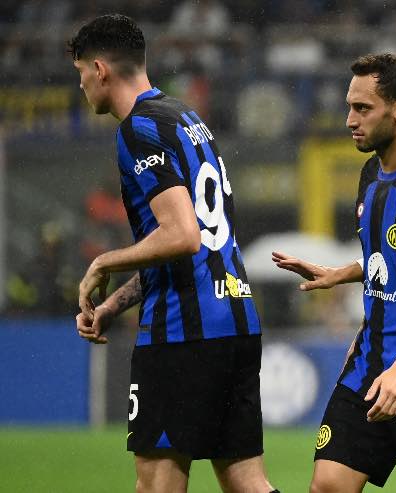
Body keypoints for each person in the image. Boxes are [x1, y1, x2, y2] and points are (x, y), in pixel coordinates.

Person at [69, 14, 278, 493]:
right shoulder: (187, 119)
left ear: (100, 69)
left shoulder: (138, 130)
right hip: (237, 319)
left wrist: (102, 262)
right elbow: (195, 243)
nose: (80, 85)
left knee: (156, 484)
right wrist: (113, 305)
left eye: (80, 72)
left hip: (183, 332)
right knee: (248, 481)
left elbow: (182, 235)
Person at [273, 53, 396, 492]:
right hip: (369, 362)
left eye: (362, 108)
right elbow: (395, 261)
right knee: (327, 484)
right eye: (349, 106)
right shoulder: (370, 173)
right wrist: (341, 273)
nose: (349, 119)